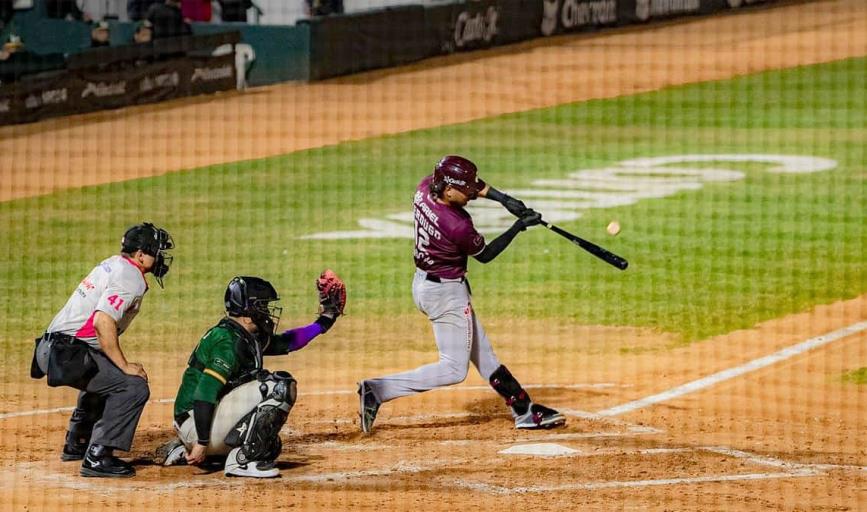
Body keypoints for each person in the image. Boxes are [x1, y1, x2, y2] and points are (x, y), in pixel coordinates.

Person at [358, 156, 566, 433]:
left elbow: (472, 186)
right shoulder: (457, 225)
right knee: (454, 369)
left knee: (483, 353)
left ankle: (523, 408)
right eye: (465, 190)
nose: (472, 194)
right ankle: (377, 390)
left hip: (426, 284)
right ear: (447, 190)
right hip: (446, 295)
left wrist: (504, 200)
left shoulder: (424, 189)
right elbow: (486, 255)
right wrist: (518, 226)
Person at [156, 271, 346, 478]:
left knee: (269, 445)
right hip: (197, 424)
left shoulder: (243, 335)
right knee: (279, 387)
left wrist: (325, 319)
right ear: (247, 313)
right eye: (262, 307)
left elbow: (289, 342)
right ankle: (241, 462)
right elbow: (205, 393)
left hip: (196, 422)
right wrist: (201, 443)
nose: (267, 312)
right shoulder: (228, 342)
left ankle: (187, 451)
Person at [31, 222, 174, 478]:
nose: (161, 257)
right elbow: (102, 321)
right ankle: (98, 457)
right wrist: (125, 365)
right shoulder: (131, 278)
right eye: (157, 251)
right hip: (67, 354)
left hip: (50, 349)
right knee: (132, 386)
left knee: (107, 374)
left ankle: (78, 442)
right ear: (140, 254)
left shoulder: (114, 264)